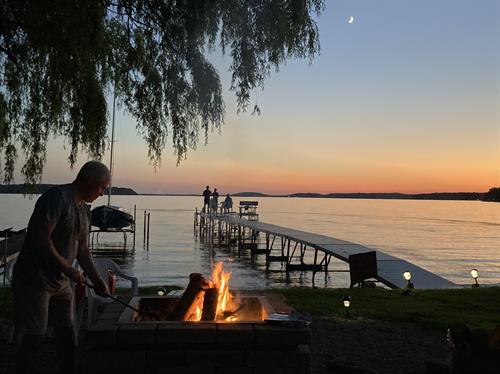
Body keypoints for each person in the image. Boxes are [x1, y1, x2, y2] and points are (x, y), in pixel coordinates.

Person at [12, 160, 110, 374]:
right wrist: (69, 269)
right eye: (102, 187)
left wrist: (97, 280)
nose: (102, 193)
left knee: (67, 334)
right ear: (89, 180)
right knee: (33, 337)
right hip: (34, 280)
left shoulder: (84, 209)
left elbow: (82, 249)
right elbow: (40, 237)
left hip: (62, 283)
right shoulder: (57, 198)